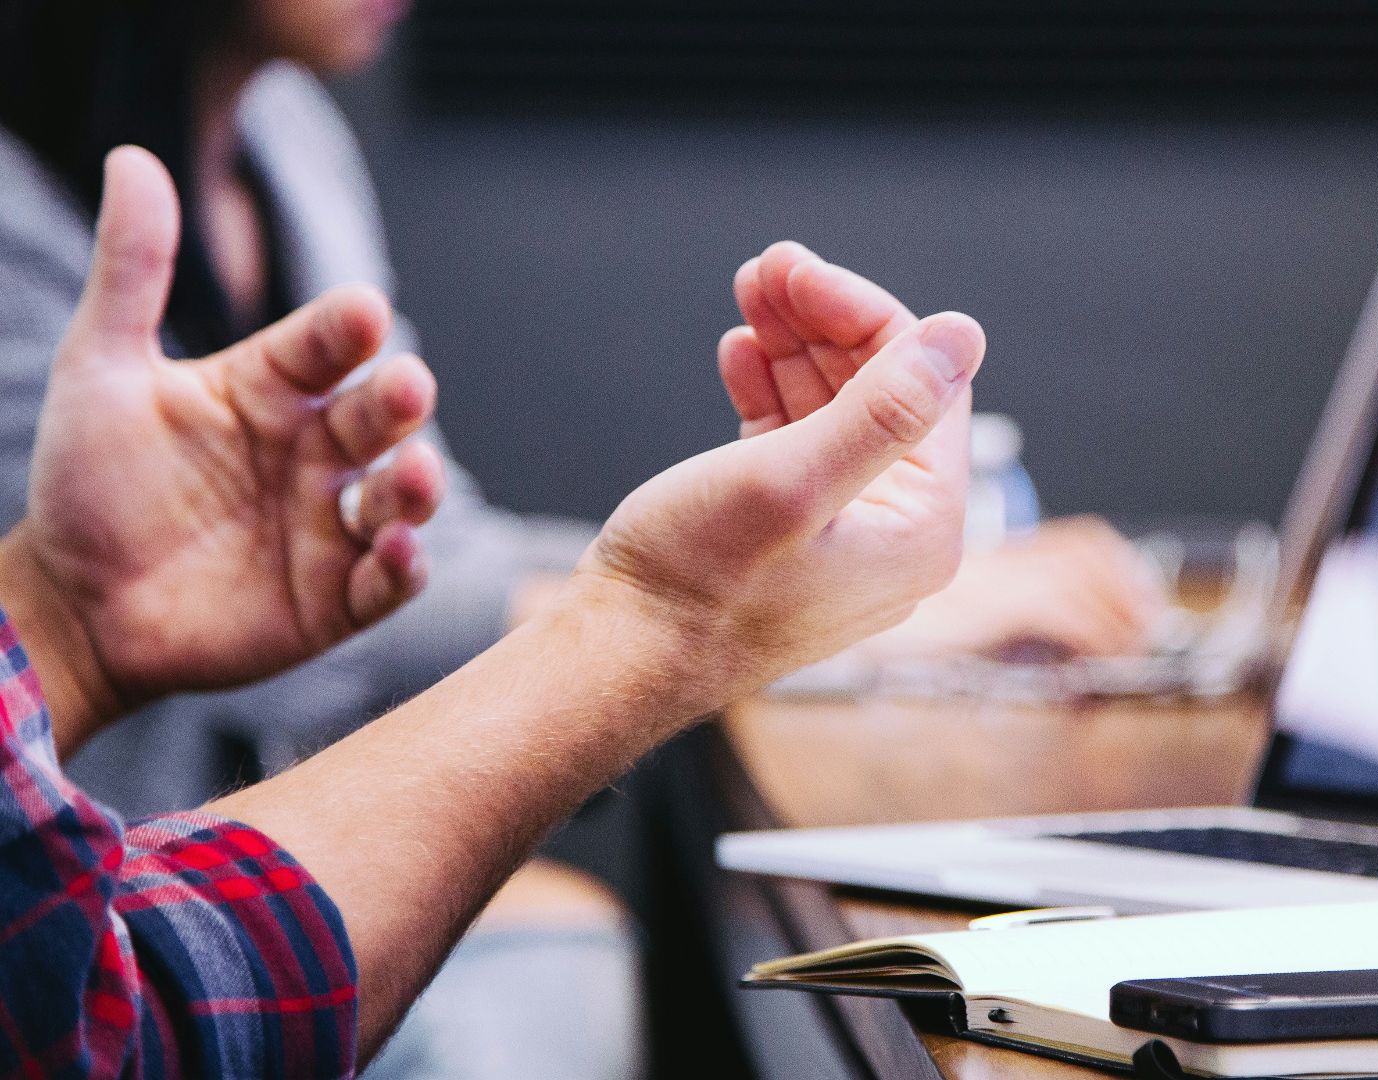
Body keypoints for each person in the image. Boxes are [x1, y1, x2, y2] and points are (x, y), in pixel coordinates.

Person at [0, 1, 1159, 1074]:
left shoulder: (285, 139)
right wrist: (686, 615)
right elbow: (108, 1019)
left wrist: (64, 614)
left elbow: (417, 556)